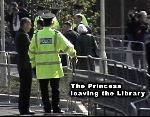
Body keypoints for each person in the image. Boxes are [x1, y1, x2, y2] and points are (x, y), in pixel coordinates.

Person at [28, 12, 77, 113]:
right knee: (55, 90)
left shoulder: (36, 35)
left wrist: (33, 66)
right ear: (52, 23)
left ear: (43, 22)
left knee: (44, 90)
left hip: (41, 69)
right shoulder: (55, 34)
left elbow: (31, 52)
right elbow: (68, 46)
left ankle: (46, 108)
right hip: (54, 69)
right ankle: (56, 108)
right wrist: (73, 56)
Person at [15, 17, 34, 115]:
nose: (31, 26)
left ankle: (23, 108)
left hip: (23, 64)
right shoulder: (23, 35)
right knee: (26, 87)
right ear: (25, 24)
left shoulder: (21, 34)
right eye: (30, 24)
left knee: (24, 87)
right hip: (25, 64)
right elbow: (30, 49)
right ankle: (24, 108)